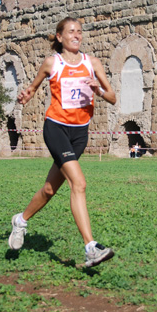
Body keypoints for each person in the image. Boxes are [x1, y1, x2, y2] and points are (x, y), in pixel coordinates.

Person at [8, 17, 117, 267]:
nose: (76, 35)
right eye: (71, 32)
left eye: (79, 31)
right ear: (60, 37)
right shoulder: (52, 63)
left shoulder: (93, 63)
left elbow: (112, 97)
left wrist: (98, 90)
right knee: (78, 183)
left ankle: (21, 220)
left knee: (49, 190)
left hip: (80, 134)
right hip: (56, 128)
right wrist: (26, 94)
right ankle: (91, 247)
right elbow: (33, 88)